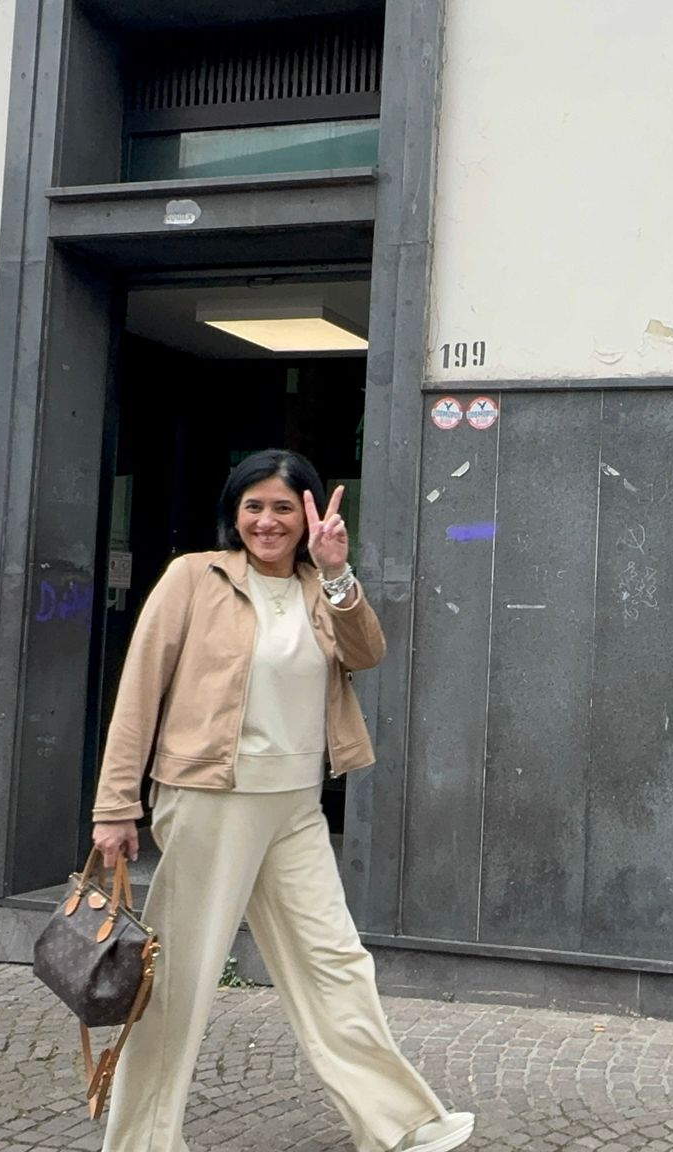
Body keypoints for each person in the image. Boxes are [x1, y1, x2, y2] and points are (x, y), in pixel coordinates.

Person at [91, 450, 473, 1152]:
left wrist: (336, 574)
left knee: (335, 962)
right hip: (210, 799)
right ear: (234, 514)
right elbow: (138, 691)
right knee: (183, 977)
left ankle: (400, 1124)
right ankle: (143, 1141)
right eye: (254, 506)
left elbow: (367, 653)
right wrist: (115, 804)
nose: (267, 521)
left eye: (283, 507)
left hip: (295, 803)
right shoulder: (193, 579)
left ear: (309, 516)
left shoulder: (316, 588)